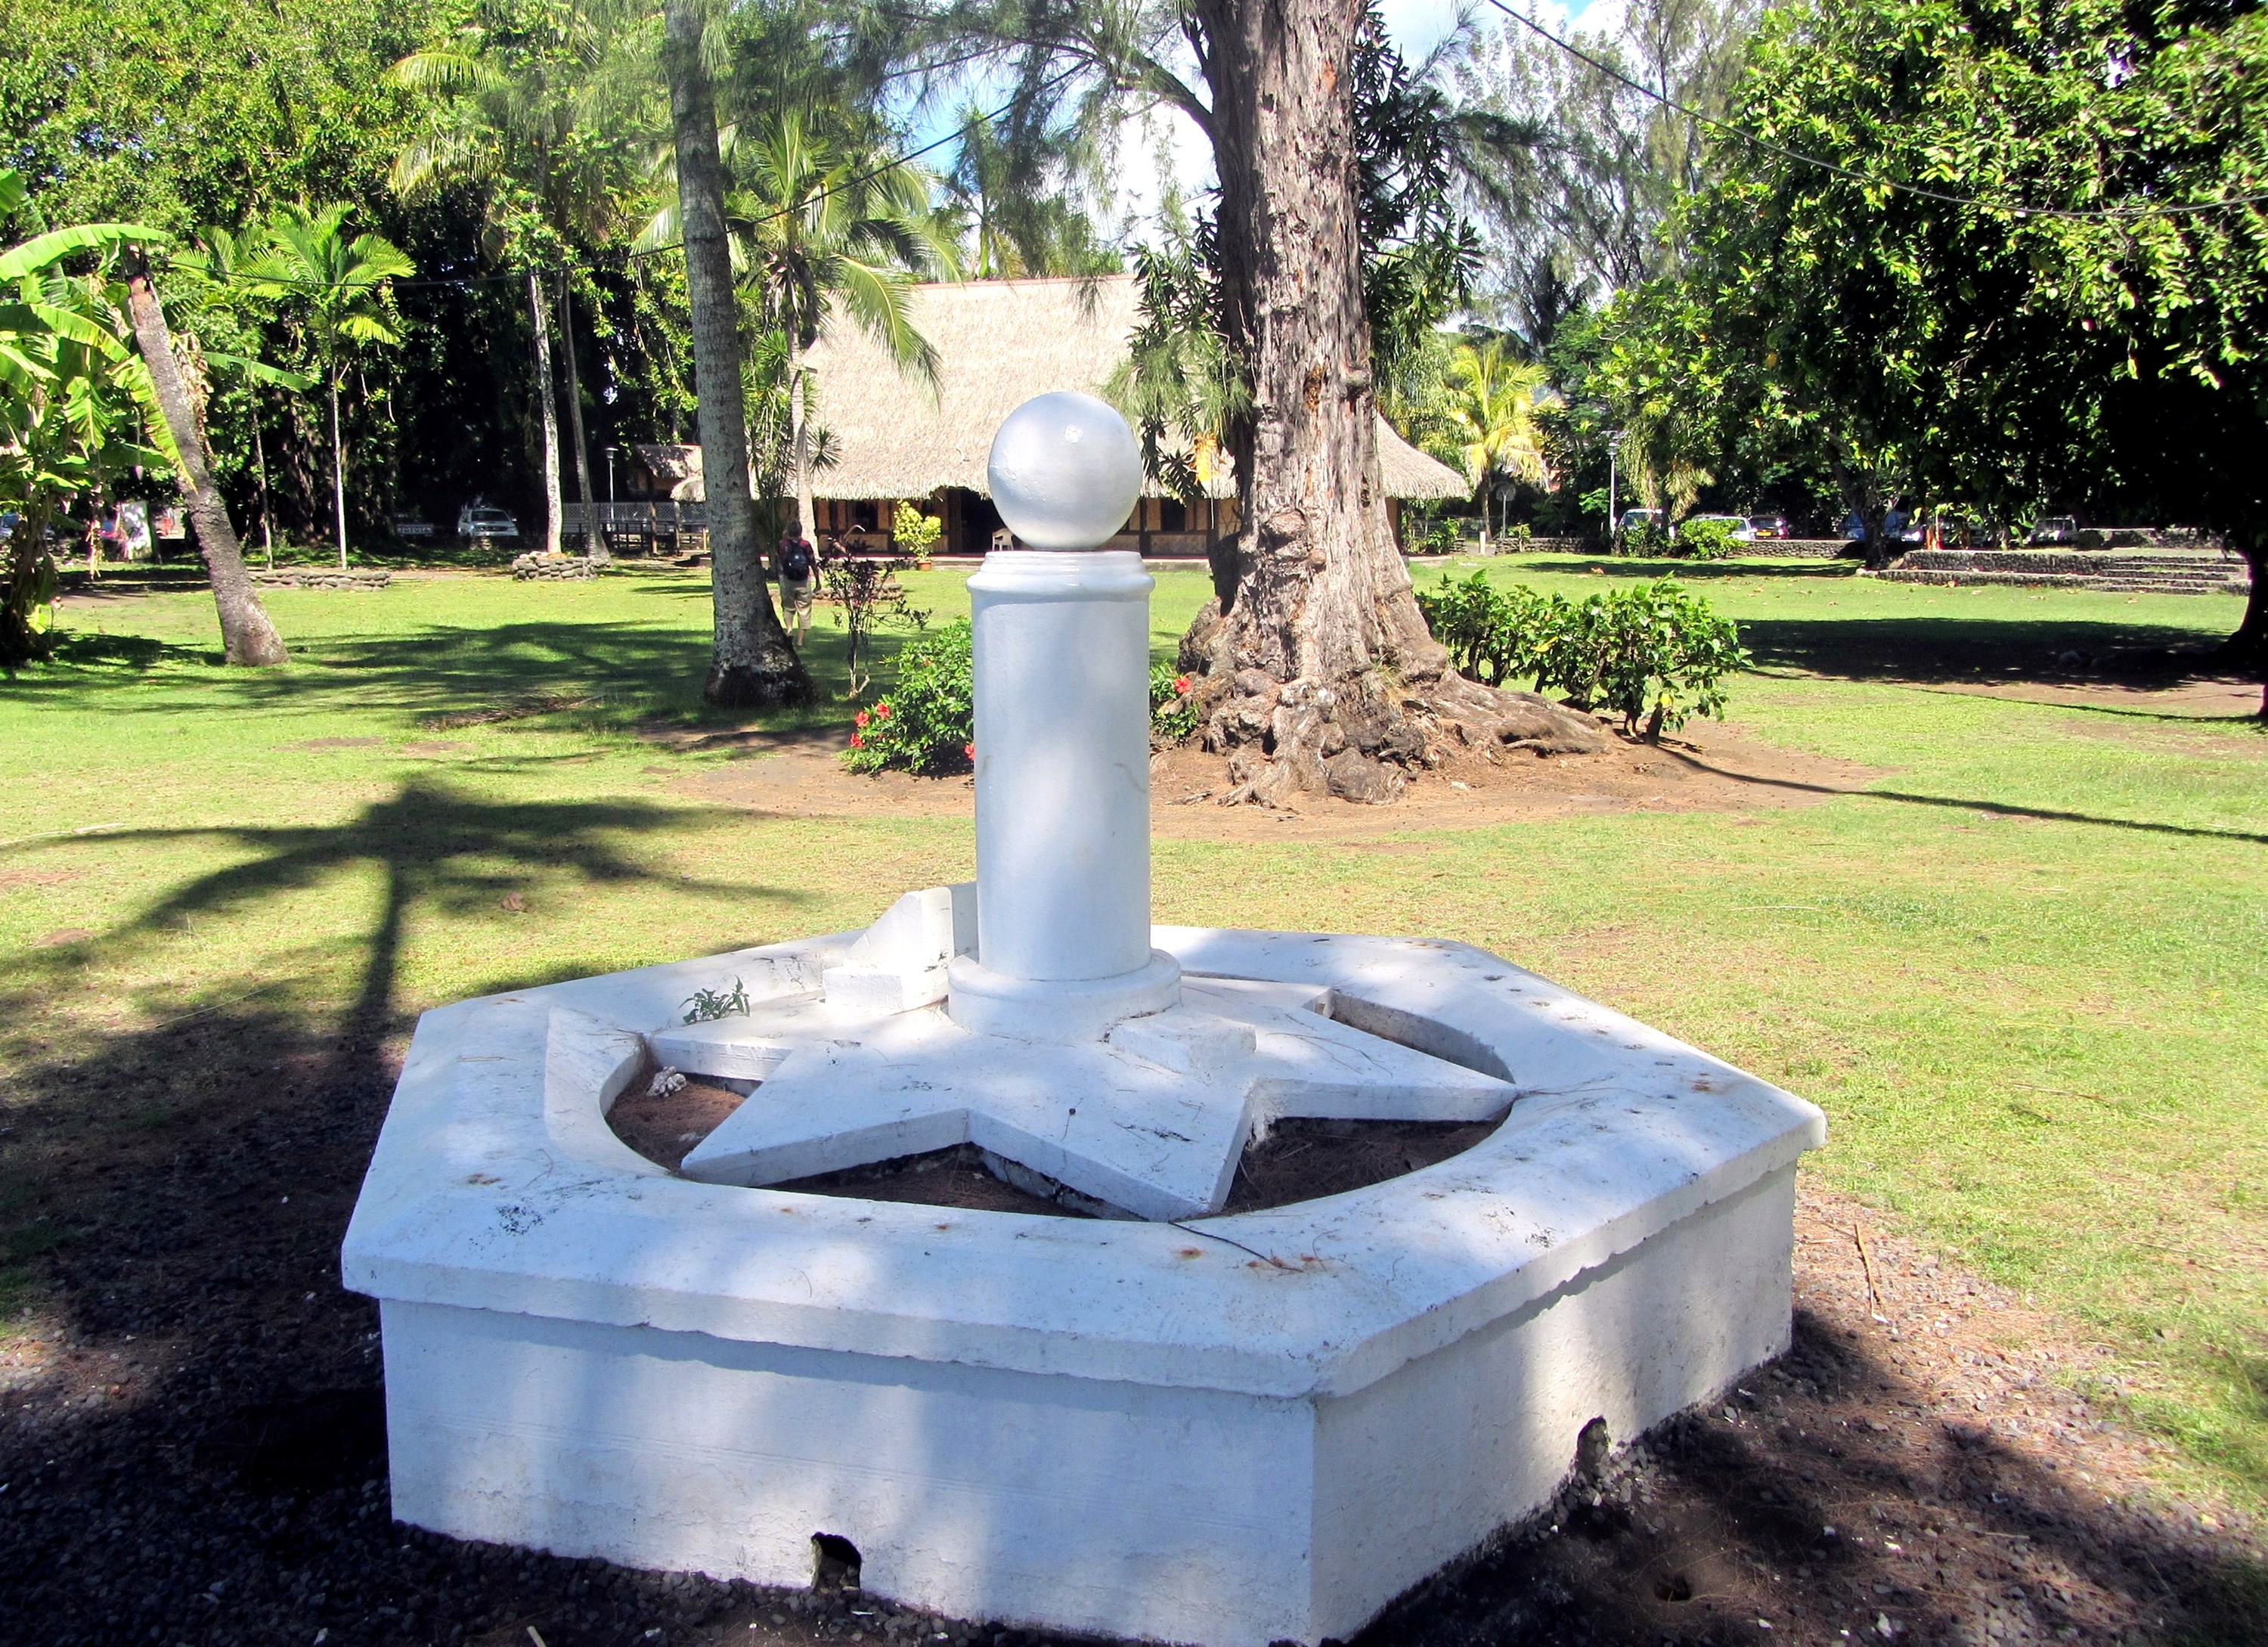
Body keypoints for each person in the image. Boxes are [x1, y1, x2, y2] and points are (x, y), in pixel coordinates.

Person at [775, 528, 820, 644]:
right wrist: (818, 579)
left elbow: (779, 559)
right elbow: (812, 562)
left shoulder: (783, 544)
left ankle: (789, 629)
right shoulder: (805, 545)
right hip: (803, 581)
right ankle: (800, 640)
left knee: (788, 607)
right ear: (801, 531)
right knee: (804, 610)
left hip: (788, 579)